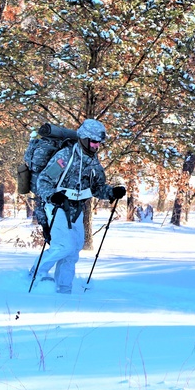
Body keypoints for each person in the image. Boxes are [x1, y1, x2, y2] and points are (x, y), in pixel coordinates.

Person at [32, 119, 125, 294]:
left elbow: (98, 188)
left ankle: (64, 289)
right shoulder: (64, 157)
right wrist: (52, 195)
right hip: (57, 205)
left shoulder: (94, 163)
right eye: (93, 142)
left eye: (99, 143)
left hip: (77, 208)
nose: (96, 146)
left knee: (74, 249)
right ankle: (34, 275)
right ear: (83, 139)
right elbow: (43, 181)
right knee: (63, 246)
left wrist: (112, 192)